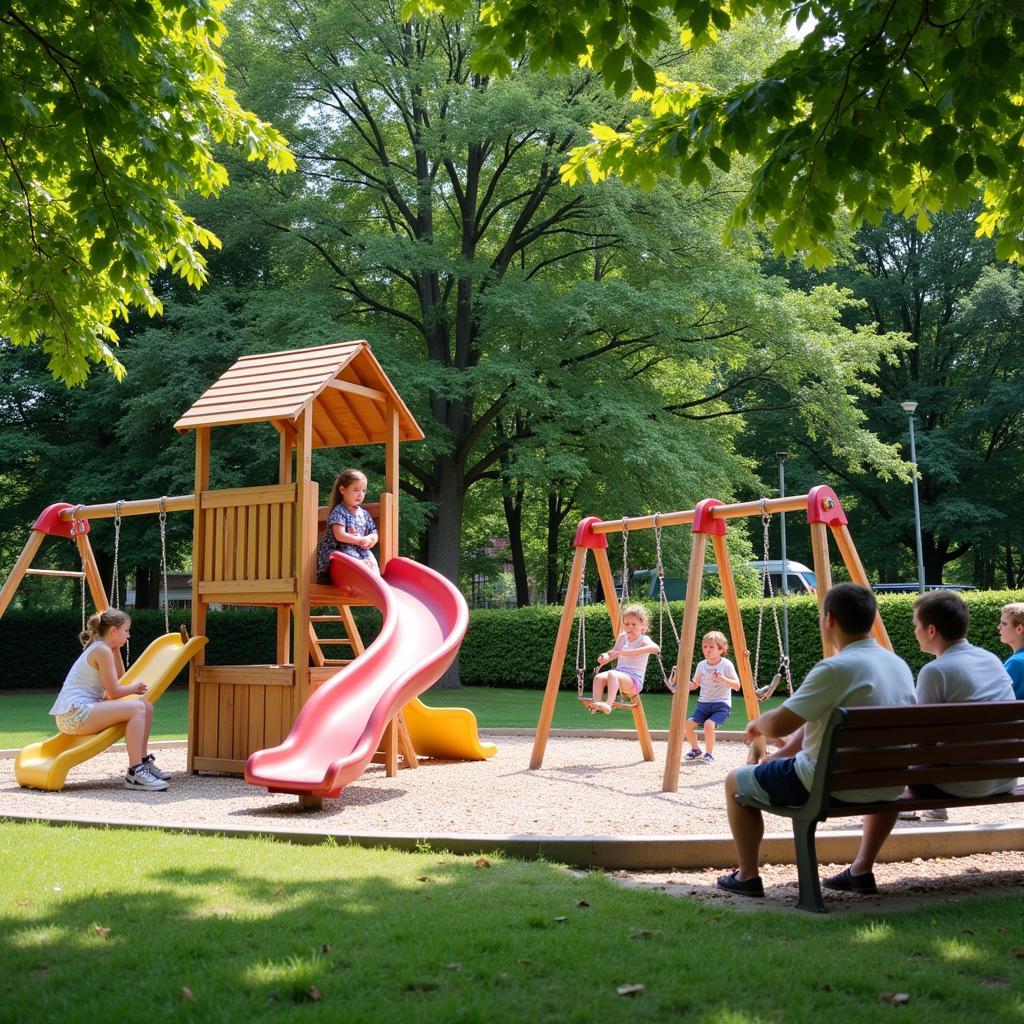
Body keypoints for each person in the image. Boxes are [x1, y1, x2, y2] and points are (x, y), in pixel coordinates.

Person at [717, 583, 914, 898]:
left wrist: (757, 723)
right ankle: (860, 870)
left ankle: (747, 876)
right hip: (887, 784)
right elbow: (820, 720)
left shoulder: (834, 669)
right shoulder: (897, 665)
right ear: (871, 618)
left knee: (733, 782)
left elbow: (781, 720)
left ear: (829, 620)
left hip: (826, 785)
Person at [49, 608, 170, 791]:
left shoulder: (104, 649)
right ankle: (135, 772)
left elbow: (116, 683)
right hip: (74, 715)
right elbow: (114, 692)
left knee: (145, 705)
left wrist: (116, 649)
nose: (128, 635)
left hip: (79, 712)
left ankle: (143, 762)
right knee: (137, 708)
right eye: (126, 631)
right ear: (113, 631)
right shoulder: (101, 651)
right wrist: (135, 688)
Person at [590, 604, 660, 713]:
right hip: (619, 675)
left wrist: (632, 653)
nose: (629, 627)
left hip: (634, 681)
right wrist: (605, 657)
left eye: (634, 624)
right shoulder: (622, 637)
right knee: (598, 677)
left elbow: (656, 648)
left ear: (643, 626)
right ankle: (597, 705)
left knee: (612, 673)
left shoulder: (643, 639)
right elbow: (614, 653)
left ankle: (608, 705)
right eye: (627, 624)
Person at [683, 631, 740, 764]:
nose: (707, 650)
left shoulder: (726, 664)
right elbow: (695, 684)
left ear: (721, 649)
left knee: (709, 725)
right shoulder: (701, 665)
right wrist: (682, 687)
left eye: (711, 647)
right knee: (688, 724)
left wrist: (722, 679)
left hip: (721, 705)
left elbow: (736, 685)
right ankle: (696, 749)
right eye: (705, 647)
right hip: (703, 704)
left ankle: (709, 754)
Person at [316, 468, 379, 582]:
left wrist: (371, 539)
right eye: (356, 490)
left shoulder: (364, 514)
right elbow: (340, 535)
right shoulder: (339, 511)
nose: (360, 495)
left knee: (372, 563)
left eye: (363, 490)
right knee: (359, 563)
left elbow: (373, 531)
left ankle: (377, 585)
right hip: (339, 552)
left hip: (358, 551)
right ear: (342, 489)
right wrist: (360, 540)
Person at [997, 602, 1024, 700]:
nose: (998, 627)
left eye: (1004, 623)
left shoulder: (1015, 663)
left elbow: (995, 699)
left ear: (1019, 629)